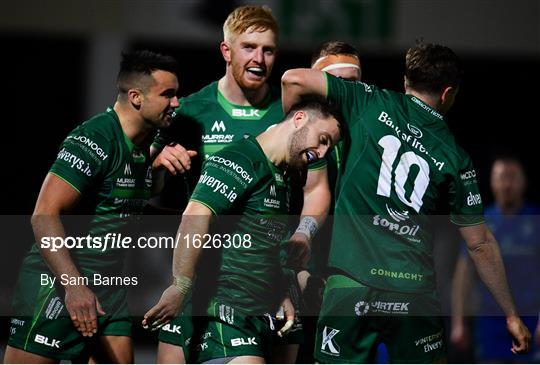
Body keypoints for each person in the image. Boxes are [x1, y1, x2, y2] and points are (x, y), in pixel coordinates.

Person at [281, 41, 531, 363]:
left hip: (351, 284)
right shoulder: (456, 158)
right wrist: (511, 314)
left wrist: (290, 135)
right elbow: (480, 244)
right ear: (447, 94)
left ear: (405, 82)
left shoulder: (369, 100)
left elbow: (293, 80)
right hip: (412, 293)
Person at [151, 5, 332, 363]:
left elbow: (316, 188)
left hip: (269, 279)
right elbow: (149, 189)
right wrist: (157, 165)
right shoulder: (190, 110)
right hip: (202, 272)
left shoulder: (292, 115)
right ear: (226, 51)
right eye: (249, 47)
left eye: (268, 50)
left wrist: (305, 233)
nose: (259, 59)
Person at [4, 50, 181, 363]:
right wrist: (74, 287)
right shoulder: (94, 138)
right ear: (136, 97)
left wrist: (192, 219)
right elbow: (44, 214)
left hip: (109, 287)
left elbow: (125, 209)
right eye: (168, 94)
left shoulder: (144, 146)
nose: (176, 103)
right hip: (58, 286)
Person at [143, 97, 342, 364]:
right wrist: (179, 285)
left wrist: (282, 291)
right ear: (299, 119)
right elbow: (194, 217)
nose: (321, 153)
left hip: (259, 313)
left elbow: (264, 243)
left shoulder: (283, 175)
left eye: (329, 148)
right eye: (323, 139)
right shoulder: (238, 159)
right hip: (224, 312)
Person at [451, 156, 540, 362]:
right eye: (501, 177)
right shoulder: (480, 224)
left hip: (531, 319)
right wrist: (458, 322)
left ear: (523, 181)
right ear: (491, 182)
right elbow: (462, 277)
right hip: (490, 321)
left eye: (512, 177)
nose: (506, 184)